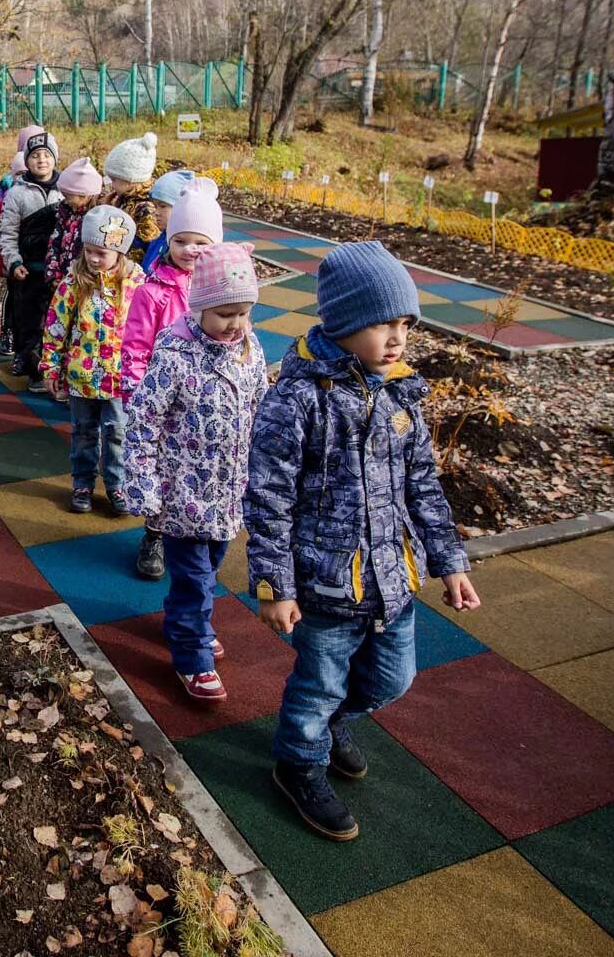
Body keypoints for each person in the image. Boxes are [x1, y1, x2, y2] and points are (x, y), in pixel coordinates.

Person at [244, 240, 481, 843]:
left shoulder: (402, 393)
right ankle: (298, 762)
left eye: (405, 323)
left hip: (392, 577)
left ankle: (326, 727)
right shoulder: (298, 400)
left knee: (392, 679)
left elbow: (422, 484)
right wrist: (275, 585)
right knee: (318, 682)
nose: (398, 337)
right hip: (326, 582)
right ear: (343, 323)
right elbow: (268, 498)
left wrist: (449, 560)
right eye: (382, 323)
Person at [120, 243, 266, 700]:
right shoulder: (175, 355)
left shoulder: (249, 348)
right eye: (225, 313)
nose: (236, 324)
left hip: (229, 491)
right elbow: (143, 421)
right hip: (182, 494)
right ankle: (192, 653)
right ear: (199, 305)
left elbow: (262, 401)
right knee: (196, 578)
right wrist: (142, 483)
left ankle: (189, 623)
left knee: (212, 569)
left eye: (244, 313)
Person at [119, 176, 223, 580]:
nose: (191, 250)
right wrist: (138, 395)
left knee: (202, 470)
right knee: (163, 471)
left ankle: (199, 529)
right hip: (165, 402)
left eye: (201, 242)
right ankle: (155, 533)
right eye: (181, 241)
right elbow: (136, 347)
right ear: (168, 241)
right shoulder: (153, 291)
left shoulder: (222, 289)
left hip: (208, 401)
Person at [43, 204, 142, 514]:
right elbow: (57, 325)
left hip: (118, 376)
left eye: (102, 252)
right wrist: (50, 364)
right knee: (83, 432)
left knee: (117, 432)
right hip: (81, 375)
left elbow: (144, 330)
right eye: (89, 251)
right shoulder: (74, 283)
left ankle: (117, 485)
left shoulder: (136, 284)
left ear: (120, 252)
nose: (94, 258)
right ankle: (83, 483)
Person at [0, 131, 63, 379]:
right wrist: (13, 262)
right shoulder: (17, 192)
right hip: (29, 267)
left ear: (55, 158)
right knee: (27, 317)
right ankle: (25, 356)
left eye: (47, 155)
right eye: (35, 156)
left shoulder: (64, 190)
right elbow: (7, 232)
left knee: (53, 318)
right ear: (27, 160)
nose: (42, 160)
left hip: (56, 267)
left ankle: (48, 362)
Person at [0, 148, 27, 356]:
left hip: (32, 256)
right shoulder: (7, 196)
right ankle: (8, 332)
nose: (22, 178)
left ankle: (25, 339)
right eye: (18, 174)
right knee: (12, 294)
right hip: (11, 256)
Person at [102, 131, 164, 266]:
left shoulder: (146, 209)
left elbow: (144, 249)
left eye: (114, 180)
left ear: (130, 179)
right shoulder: (123, 200)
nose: (111, 185)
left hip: (131, 274)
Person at [43, 157, 103, 288]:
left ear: (85, 195)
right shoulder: (64, 213)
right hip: (63, 281)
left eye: (69, 197)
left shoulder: (98, 219)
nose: (66, 200)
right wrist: (53, 273)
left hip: (84, 282)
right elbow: (54, 242)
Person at [139, 168, 198, 273]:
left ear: (182, 207)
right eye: (155, 206)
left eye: (163, 206)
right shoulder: (160, 239)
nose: (156, 212)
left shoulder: (181, 249)